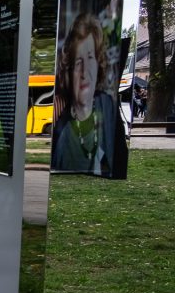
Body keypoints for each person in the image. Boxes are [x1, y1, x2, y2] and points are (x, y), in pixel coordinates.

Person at [51, 12, 124, 176]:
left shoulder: (107, 105)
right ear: (69, 71)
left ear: (98, 64)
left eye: (90, 57)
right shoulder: (61, 134)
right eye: (78, 62)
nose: (84, 71)